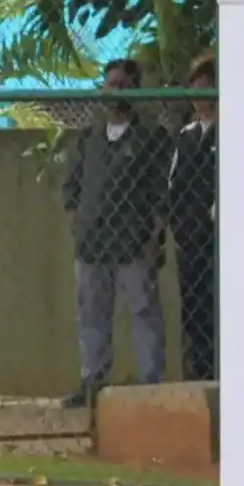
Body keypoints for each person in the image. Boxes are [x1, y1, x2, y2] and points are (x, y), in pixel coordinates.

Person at [60, 57, 172, 407]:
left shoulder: (151, 138)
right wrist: (78, 224)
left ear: (134, 91)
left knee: (143, 312)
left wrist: (155, 237)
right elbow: (71, 187)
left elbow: (160, 192)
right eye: (111, 84)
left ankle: (150, 383)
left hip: (133, 241)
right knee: (91, 314)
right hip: (92, 243)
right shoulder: (87, 138)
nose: (116, 91)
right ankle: (93, 380)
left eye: (124, 84)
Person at [167, 53, 219, 381]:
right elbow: (174, 185)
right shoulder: (186, 136)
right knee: (195, 312)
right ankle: (200, 375)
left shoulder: (232, 129)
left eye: (207, 87)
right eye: (196, 88)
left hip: (219, 239)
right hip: (190, 240)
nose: (201, 95)